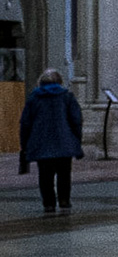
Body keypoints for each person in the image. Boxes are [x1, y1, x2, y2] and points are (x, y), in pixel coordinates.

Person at [18, 67, 85, 216]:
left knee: (45, 175)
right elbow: (76, 121)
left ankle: (48, 203)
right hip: (64, 142)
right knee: (64, 174)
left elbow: (25, 123)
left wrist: (25, 145)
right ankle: (64, 200)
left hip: (41, 143)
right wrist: (76, 141)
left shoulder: (34, 98)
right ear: (60, 81)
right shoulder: (67, 97)